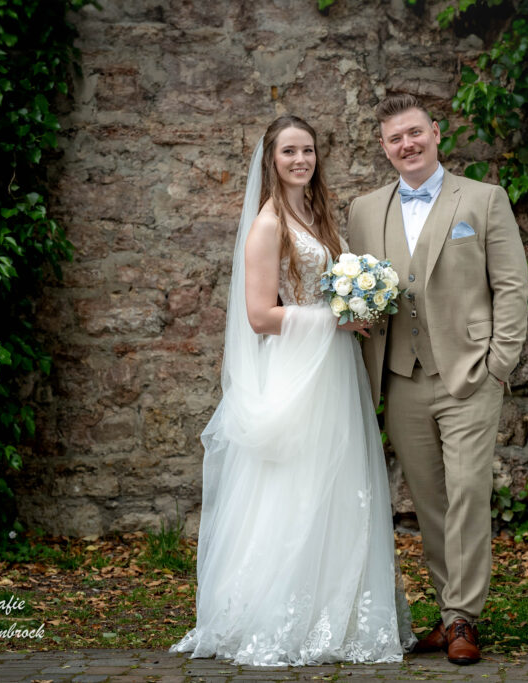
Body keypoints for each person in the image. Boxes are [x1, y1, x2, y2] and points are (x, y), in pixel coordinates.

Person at [169, 115, 415, 666]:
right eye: (289, 152)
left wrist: (355, 303)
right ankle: (279, 615)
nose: (301, 160)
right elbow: (259, 315)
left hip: (332, 367)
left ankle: (341, 612)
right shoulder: (268, 224)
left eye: (308, 150)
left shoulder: (314, 212)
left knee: (338, 485)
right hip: (299, 368)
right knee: (298, 487)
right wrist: (334, 317)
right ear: (271, 161)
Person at [347, 94, 528, 665]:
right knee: (429, 501)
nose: (408, 144)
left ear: (436, 133)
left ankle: (462, 620)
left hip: (468, 375)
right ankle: (448, 611)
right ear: (384, 147)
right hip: (400, 378)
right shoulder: (363, 209)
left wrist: (498, 363)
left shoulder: (482, 199)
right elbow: (355, 288)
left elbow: (512, 286)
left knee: (469, 494)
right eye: (395, 138)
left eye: (415, 133)